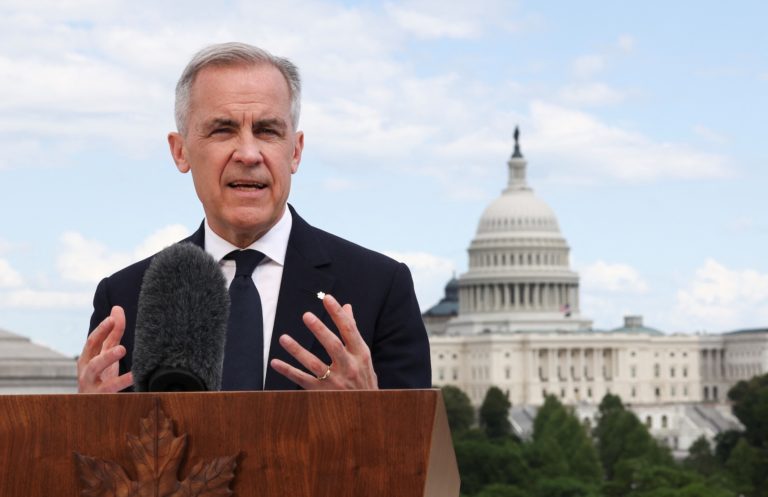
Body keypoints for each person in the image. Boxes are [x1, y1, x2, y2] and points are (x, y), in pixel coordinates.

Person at [77, 42, 431, 393]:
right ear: (180, 151)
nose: (248, 154)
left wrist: (366, 408)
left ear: (295, 151)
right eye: (223, 130)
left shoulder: (380, 288)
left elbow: (416, 431)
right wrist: (93, 418)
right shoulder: (125, 297)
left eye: (267, 131)